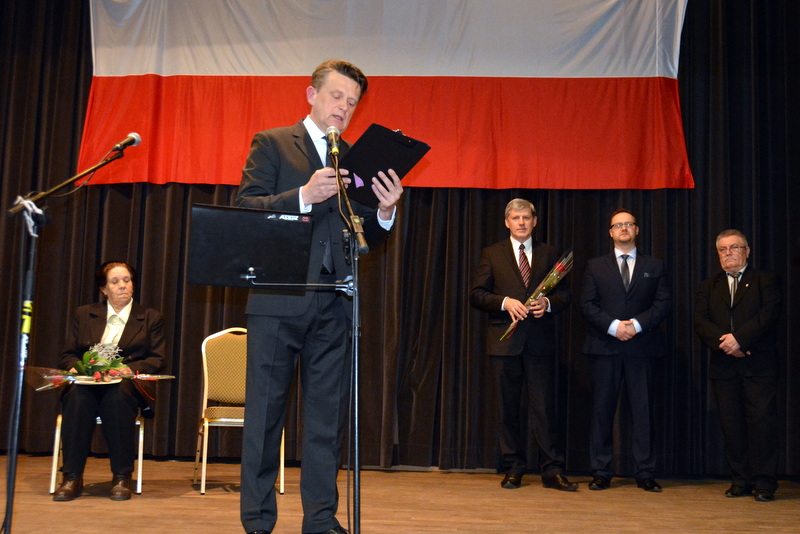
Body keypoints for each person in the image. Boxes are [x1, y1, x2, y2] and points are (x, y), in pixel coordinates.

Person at [235, 59, 403, 534]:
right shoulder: (273, 143)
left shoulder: (354, 158)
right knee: (264, 420)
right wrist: (303, 196)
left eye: (352, 102)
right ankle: (258, 521)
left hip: (335, 304)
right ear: (311, 95)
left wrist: (385, 211)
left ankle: (321, 521)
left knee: (326, 421)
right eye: (336, 96)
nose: (344, 108)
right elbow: (246, 209)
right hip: (277, 302)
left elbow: (368, 236)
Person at [469, 198, 577, 492]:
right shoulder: (492, 253)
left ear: (535, 221)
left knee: (545, 409)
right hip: (504, 344)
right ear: (507, 222)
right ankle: (513, 468)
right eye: (515, 218)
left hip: (539, 344)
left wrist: (548, 304)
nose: (521, 222)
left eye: (526, 217)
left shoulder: (549, 253)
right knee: (508, 410)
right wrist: (504, 302)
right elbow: (477, 294)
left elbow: (565, 295)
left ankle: (552, 471)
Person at [53, 261, 166, 502]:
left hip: (125, 383)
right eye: (115, 282)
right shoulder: (84, 314)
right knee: (76, 397)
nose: (123, 285)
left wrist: (128, 369)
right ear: (104, 289)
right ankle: (72, 477)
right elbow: (67, 354)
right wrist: (77, 367)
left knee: (118, 397)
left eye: (127, 280)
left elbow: (157, 359)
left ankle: (121, 477)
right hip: (88, 381)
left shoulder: (150, 317)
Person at [579, 209, 671, 492]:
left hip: (642, 348)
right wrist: (614, 326)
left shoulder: (654, 265)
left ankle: (645, 472)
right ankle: (601, 471)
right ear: (610, 232)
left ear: (636, 230)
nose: (623, 228)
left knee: (643, 412)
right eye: (618, 225)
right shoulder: (595, 266)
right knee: (602, 411)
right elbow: (587, 304)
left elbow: (663, 303)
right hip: (604, 347)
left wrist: (637, 325)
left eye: (628, 224)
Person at [693, 229, 782, 502]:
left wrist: (740, 340)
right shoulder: (709, 285)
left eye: (734, 247)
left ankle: (764, 483)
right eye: (722, 249)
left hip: (759, 365)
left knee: (762, 426)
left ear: (747, 251)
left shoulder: (765, 280)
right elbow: (700, 321)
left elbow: (769, 314)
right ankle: (740, 480)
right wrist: (726, 344)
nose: (728, 253)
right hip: (724, 367)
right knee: (732, 427)